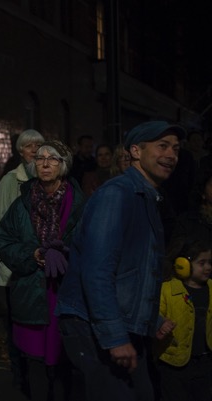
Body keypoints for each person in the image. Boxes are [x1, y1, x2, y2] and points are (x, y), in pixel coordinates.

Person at [56, 120, 185, 401]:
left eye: (175, 149)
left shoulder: (146, 196)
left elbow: (136, 271)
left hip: (117, 322)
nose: (171, 155)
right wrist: (115, 337)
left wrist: (152, 319)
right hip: (92, 325)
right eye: (162, 146)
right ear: (136, 151)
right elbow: (97, 271)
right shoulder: (117, 194)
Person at [0, 140, 84, 401]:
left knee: (64, 362)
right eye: (40, 158)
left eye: (52, 158)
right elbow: (3, 240)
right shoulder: (22, 203)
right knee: (34, 363)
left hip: (65, 293)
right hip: (31, 292)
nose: (45, 164)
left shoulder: (79, 203)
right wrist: (31, 254)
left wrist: (66, 254)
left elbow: (92, 246)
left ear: (63, 165)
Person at [0, 128, 44, 390]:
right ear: (20, 151)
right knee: (17, 322)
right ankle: (20, 376)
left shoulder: (48, 177)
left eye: (38, 145)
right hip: (16, 264)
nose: (34, 150)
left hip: (41, 265)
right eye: (29, 146)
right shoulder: (11, 180)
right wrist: (1, 258)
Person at [155, 238, 212, 401]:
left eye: (210, 262)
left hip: (205, 363)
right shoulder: (167, 289)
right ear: (183, 264)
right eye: (202, 263)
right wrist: (161, 324)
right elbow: (155, 314)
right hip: (173, 364)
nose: (208, 267)